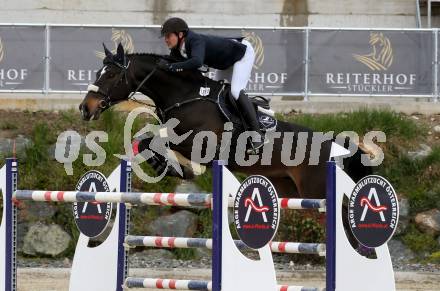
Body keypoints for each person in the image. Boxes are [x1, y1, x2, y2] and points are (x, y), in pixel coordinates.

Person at [159, 17, 264, 152]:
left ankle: (257, 135)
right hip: (225, 61)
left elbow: (196, 62)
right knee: (218, 91)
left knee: (235, 91)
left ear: (180, 35)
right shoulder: (177, 48)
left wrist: (171, 67)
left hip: (242, 54)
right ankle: (233, 128)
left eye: (168, 36)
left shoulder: (194, 40)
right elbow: (171, 63)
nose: (166, 40)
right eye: (165, 37)